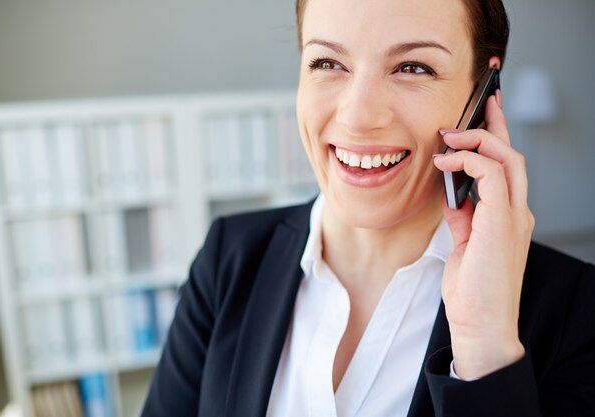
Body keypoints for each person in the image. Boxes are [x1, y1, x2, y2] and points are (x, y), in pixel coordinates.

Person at [141, 0, 595, 415]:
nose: (358, 116)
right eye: (327, 62)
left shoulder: (576, 309)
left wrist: (484, 347)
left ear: (483, 89)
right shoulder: (229, 258)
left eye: (413, 67)